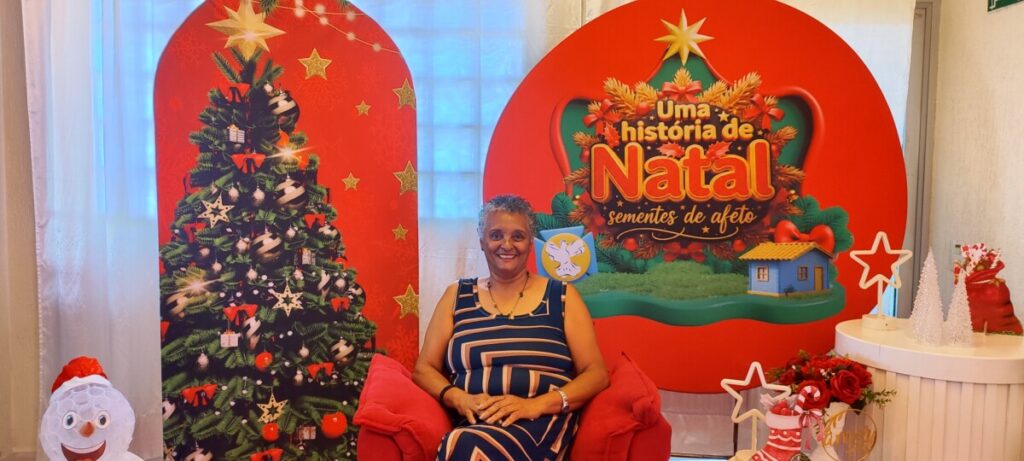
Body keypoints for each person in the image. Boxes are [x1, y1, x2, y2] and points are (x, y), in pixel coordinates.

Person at [414, 194, 609, 460]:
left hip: (541, 422)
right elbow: (424, 368)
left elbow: (596, 373)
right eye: (496, 235)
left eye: (517, 236)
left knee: (465, 446)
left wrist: (534, 406)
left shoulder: (562, 296)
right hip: (476, 422)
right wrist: (457, 397)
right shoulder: (456, 295)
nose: (506, 245)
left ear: (530, 242)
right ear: (482, 241)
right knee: (466, 441)